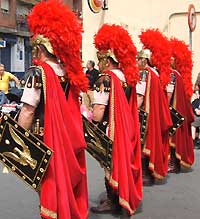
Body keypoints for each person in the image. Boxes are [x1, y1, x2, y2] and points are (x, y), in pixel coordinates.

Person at [17, 1, 88, 219]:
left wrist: (18, 143)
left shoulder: (36, 73)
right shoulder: (67, 73)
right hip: (66, 137)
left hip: (44, 138)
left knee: (48, 189)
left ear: (40, 47)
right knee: (63, 186)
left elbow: (28, 111)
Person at [90, 24, 142, 215]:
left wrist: (92, 125)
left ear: (106, 59)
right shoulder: (127, 77)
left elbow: (99, 108)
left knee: (108, 164)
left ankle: (113, 200)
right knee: (121, 162)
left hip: (110, 128)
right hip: (126, 126)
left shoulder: (105, 78)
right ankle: (119, 195)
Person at [137, 29, 172, 185]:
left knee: (144, 142)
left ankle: (145, 174)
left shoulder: (144, 73)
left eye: (139, 59)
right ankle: (148, 172)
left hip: (146, 114)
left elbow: (140, 96)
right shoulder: (155, 72)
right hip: (154, 114)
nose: (137, 61)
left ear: (144, 60)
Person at [167, 38, 194, 171]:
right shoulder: (179, 74)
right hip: (178, 109)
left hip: (173, 109)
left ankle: (173, 162)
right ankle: (174, 162)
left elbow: (169, 93)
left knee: (172, 135)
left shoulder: (172, 74)